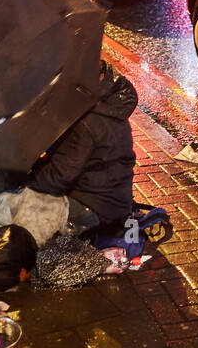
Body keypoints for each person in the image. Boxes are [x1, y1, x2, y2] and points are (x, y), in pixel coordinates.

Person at [27, 62, 138, 235]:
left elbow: (59, 177)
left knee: (14, 205)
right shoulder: (111, 107)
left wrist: (25, 182)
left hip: (93, 209)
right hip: (116, 203)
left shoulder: (85, 121)